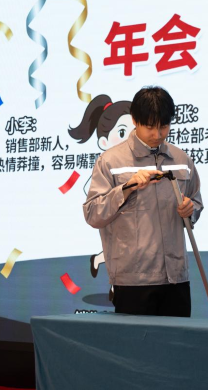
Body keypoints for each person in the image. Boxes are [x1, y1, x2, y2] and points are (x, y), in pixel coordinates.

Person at [83, 86, 203, 317]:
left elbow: (196, 203)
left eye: (164, 126)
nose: (157, 134)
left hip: (176, 277)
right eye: (150, 126)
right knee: (135, 341)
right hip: (133, 279)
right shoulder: (110, 161)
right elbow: (93, 214)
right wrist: (126, 188)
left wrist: (191, 210)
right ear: (135, 121)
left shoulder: (182, 159)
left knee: (176, 340)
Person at [69, 94, 134, 281]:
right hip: (112, 219)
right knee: (117, 252)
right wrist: (117, 197)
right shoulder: (104, 165)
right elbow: (92, 201)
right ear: (103, 142)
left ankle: (98, 260)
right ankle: (112, 281)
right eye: (122, 133)